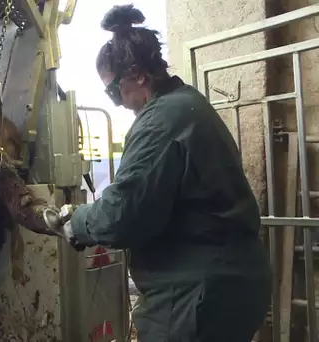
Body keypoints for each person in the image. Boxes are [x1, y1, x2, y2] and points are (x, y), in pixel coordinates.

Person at [52, 4, 272, 342]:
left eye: (114, 90)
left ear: (139, 74)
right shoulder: (190, 105)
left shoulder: (161, 121)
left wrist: (76, 220)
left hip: (194, 295)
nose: (117, 102)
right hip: (232, 285)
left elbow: (121, 215)